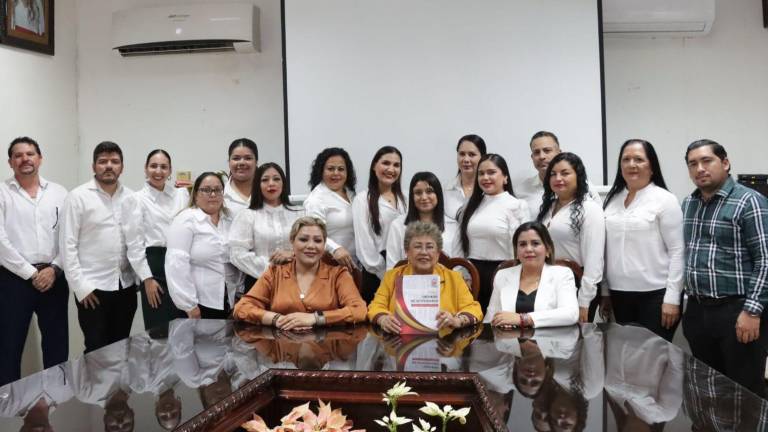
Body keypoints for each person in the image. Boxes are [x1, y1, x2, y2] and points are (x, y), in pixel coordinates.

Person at [681, 139, 768, 398]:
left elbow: (765, 260)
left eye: (706, 161)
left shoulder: (749, 201)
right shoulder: (689, 204)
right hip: (698, 311)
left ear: (725, 163)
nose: (700, 169)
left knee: (744, 391)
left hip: (738, 311)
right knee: (708, 388)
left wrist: (752, 311)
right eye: (692, 164)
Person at [0, 137, 68, 386]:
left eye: (30, 154)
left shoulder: (60, 193)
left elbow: (68, 237)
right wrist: (30, 273)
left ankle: (58, 404)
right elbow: (1, 242)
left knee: (57, 344)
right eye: (18, 155)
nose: (25, 159)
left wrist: (55, 268)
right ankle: (7, 410)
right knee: (8, 345)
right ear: (10, 162)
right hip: (13, 279)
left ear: (40, 158)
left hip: (54, 277)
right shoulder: (2, 192)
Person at [601, 139, 684, 341]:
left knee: (653, 361)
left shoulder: (664, 199)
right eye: (626, 159)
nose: (631, 164)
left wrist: (672, 299)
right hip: (618, 294)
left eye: (639, 159)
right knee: (625, 359)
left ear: (652, 166)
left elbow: (678, 251)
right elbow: (604, 250)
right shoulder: (611, 200)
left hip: (655, 296)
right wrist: (605, 292)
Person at [60, 141, 137, 353]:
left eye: (114, 161)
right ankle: (95, 388)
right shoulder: (77, 197)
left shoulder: (131, 197)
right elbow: (67, 245)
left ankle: (117, 388)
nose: (109, 166)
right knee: (95, 350)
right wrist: (81, 287)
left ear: (122, 166)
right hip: (92, 289)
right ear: (93, 167)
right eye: (102, 161)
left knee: (121, 346)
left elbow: (136, 242)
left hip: (125, 286)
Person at [233, 216, 367, 328]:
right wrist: (275, 319)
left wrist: (316, 318)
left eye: (318, 241)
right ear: (292, 241)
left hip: (326, 350)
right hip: (281, 352)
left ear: (324, 244)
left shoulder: (338, 274)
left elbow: (359, 310)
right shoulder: (274, 273)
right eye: (303, 239)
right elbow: (241, 308)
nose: (311, 246)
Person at [368, 221, 483, 334]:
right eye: (417, 246)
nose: (424, 252)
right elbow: (376, 306)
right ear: (407, 252)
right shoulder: (392, 276)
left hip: (444, 343)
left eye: (429, 247)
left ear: (438, 253)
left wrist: (457, 320)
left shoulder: (454, 278)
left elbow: (473, 308)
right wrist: (383, 319)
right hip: (399, 342)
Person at [121, 149, 189, 331]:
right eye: (153, 166)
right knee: (159, 332)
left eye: (163, 167)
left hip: (181, 267)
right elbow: (134, 245)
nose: (158, 171)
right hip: (155, 268)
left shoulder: (182, 195)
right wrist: (147, 279)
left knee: (185, 330)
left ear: (170, 171)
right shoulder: (135, 200)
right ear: (145, 168)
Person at [537, 152, 605, 322]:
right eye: (553, 174)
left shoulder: (589, 209)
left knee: (575, 343)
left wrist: (584, 302)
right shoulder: (547, 207)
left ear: (578, 176)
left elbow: (594, 260)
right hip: (548, 281)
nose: (558, 178)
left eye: (565, 173)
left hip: (577, 282)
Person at [458, 153, 529, 312]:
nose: (485, 177)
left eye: (491, 172)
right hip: (473, 274)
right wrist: (465, 274)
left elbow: (524, 248)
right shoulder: (471, 204)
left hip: (504, 272)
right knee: (474, 323)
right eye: (481, 173)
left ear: (505, 177)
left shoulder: (517, 205)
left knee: (501, 325)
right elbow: (464, 244)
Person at [166, 172, 242, 319]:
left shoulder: (230, 220)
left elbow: (236, 260)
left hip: (229, 302)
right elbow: (176, 264)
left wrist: (239, 295)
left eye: (217, 190)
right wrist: (189, 305)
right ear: (195, 194)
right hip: (199, 304)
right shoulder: (186, 219)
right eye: (206, 190)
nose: (212, 194)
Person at [485, 221, 579, 328]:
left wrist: (523, 319)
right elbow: (490, 319)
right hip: (510, 341)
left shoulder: (562, 274)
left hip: (549, 341)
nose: (528, 249)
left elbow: (571, 314)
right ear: (516, 252)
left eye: (535, 243)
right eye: (522, 244)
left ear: (548, 250)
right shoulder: (502, 275)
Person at [229, 163, 304, 292]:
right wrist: (272, 269)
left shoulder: (300, 213)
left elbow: (313, 248)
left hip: (298, 280)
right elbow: (236, 254)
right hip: (260, 282)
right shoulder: (247, 215)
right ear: (257, 185)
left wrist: (293, 255)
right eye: (264, 180)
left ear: (283, 183)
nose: (271, 183)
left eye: (276, 179)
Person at [352, 146, 407, 302]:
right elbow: (364, 247)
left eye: (396, 165)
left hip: (404, 272)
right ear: (374, 166)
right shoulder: (362, 200)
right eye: (386, 163)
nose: (391, 169)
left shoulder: (406, 199)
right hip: (376, 274)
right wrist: (387, 275)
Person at [515, 131, 601, 215]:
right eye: (536, 152)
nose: (541, 156)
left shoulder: (584, 186)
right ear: (532, 157)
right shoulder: (521, 191)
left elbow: (599, 216)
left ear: (559, 153)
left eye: (547, 150)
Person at [385, 172, 461, 268]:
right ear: (412, 196)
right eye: (418, 193)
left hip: (446, 282)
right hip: (407, 281)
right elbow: (392, 266)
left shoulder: (453, 226)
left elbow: (459, 267)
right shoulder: (398, 225)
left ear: (438, 194)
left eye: (429, 191)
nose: (424, 197)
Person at [303, 147, 357, 270]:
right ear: (321, 171)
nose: (336, 173)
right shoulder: (316, 200)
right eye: (330, 169)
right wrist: (335, 249)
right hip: (329, 264)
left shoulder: (351, 193)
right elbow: (315, 234)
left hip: (355, 264)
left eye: (341, 169)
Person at [443, 134, 487, 221]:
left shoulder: (489, 191)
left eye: (472, 154)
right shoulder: (445, 189)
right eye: (462, 154)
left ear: (482, 157)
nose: (466, 160)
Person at [223, 138, 258, 216]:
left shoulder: (267, 192)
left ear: (256, 162)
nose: (242, 162)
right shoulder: (220, 194)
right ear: (229, 162)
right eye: (236, 158)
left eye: (248, 158)